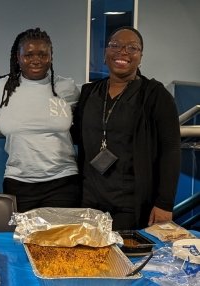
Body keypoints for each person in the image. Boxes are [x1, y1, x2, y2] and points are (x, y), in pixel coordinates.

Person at [73, 27, 180, 230]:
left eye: (132, 48)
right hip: (89, 200)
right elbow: (77, 136)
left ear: (140, 56)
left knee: (124, 261)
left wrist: (164, 203)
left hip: (131, 204)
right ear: (105, 53)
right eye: (115, 45)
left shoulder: (155, 96)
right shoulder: (89, 92)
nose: (123, 52)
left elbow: (171, 150)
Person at [0, 28, 80, 213]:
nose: (36, 60)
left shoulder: (67, 87)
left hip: (63, 180)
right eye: (29, 54)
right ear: (18, 57)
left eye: (42, 54)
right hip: (18, 182)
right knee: (23, 240)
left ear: (51, 56)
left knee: (60, 240)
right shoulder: (1, 88)